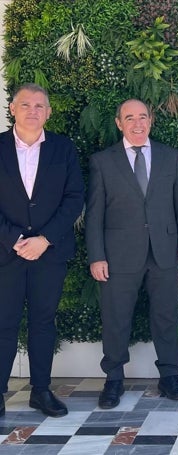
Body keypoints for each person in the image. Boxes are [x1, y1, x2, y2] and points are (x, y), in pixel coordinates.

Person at [85, 99, 178, 409]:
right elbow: (94, 215)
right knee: (116, 318)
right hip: (118, 255)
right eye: (129, 118)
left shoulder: (169, 157)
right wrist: (96, 256)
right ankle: (114, 379)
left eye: (143, 117)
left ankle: (170, 376)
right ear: (119, 123)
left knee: (166, 316)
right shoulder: (103, 162)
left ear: (151, 120)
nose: (137, 123)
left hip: (164, 252)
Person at [0, 83, 84, 417]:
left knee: (43, 322)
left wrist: (45, 239)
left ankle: (41, 390)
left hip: (50, 252)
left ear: (49, 112)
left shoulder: (63, 148)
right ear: (12, 109)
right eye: (26, 104)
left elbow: (75, 197)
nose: (33, 111)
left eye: (40, 106)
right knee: (3, 323)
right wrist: (13, 240)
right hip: (6, 253)